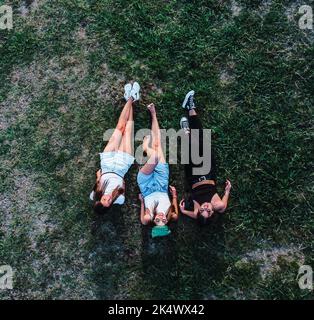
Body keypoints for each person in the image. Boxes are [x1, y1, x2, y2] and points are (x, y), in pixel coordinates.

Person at [179, 90, 231, 225]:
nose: (205, 208)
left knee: (189, 147)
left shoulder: (197, 212)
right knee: (201, 139)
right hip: (208, 173)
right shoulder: (219, 205)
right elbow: (225, 201)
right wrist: (227, 191)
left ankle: (186, 132)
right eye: (208, 211)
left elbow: (194, 215)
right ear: (213, 213)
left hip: (192, 177)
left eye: (202, 210)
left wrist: (184, 212)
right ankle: (190, 107)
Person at [90, 82, 140, 214]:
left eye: (103, 199)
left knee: (120, 128)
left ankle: (130, 99)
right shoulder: (120, 199)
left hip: (107, 163)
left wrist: (99, 177)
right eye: (107, 202)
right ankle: (131, 98)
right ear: (110, 205)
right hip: (121, 166)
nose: (106, 198)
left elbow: (98, 176)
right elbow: (123, 183)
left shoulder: (94, 194)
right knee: (128, 131)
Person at [137, 103, 179, 238]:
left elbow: (143, 221)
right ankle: (153, 114)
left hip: (146, 186)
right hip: (162, 184)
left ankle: (145, 147)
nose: (161, 217)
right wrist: (174, 196)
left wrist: (142, 202)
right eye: (164, 221)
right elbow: (174, 205)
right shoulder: (173, 215)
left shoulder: (147, 218)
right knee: (157, 145)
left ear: (153, 222)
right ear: (167, 222)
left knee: (154, 156)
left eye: (157, 221)